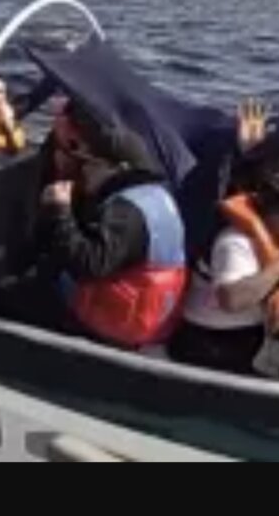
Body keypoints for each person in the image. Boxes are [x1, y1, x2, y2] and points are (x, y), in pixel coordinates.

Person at [34, 100, 187, 348]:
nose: (85, 171)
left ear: (118, 168)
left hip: (117, 323)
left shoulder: (125, 212)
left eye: (91, 163)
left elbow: (90, 264)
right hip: (153, 316)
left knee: (18, 291)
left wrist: (60, 213)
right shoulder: (158, 196)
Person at [169, 167, 279, 377]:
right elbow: (231, 299)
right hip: (210, 341)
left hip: (249, 335)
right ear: (265, 209)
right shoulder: (234, 242)